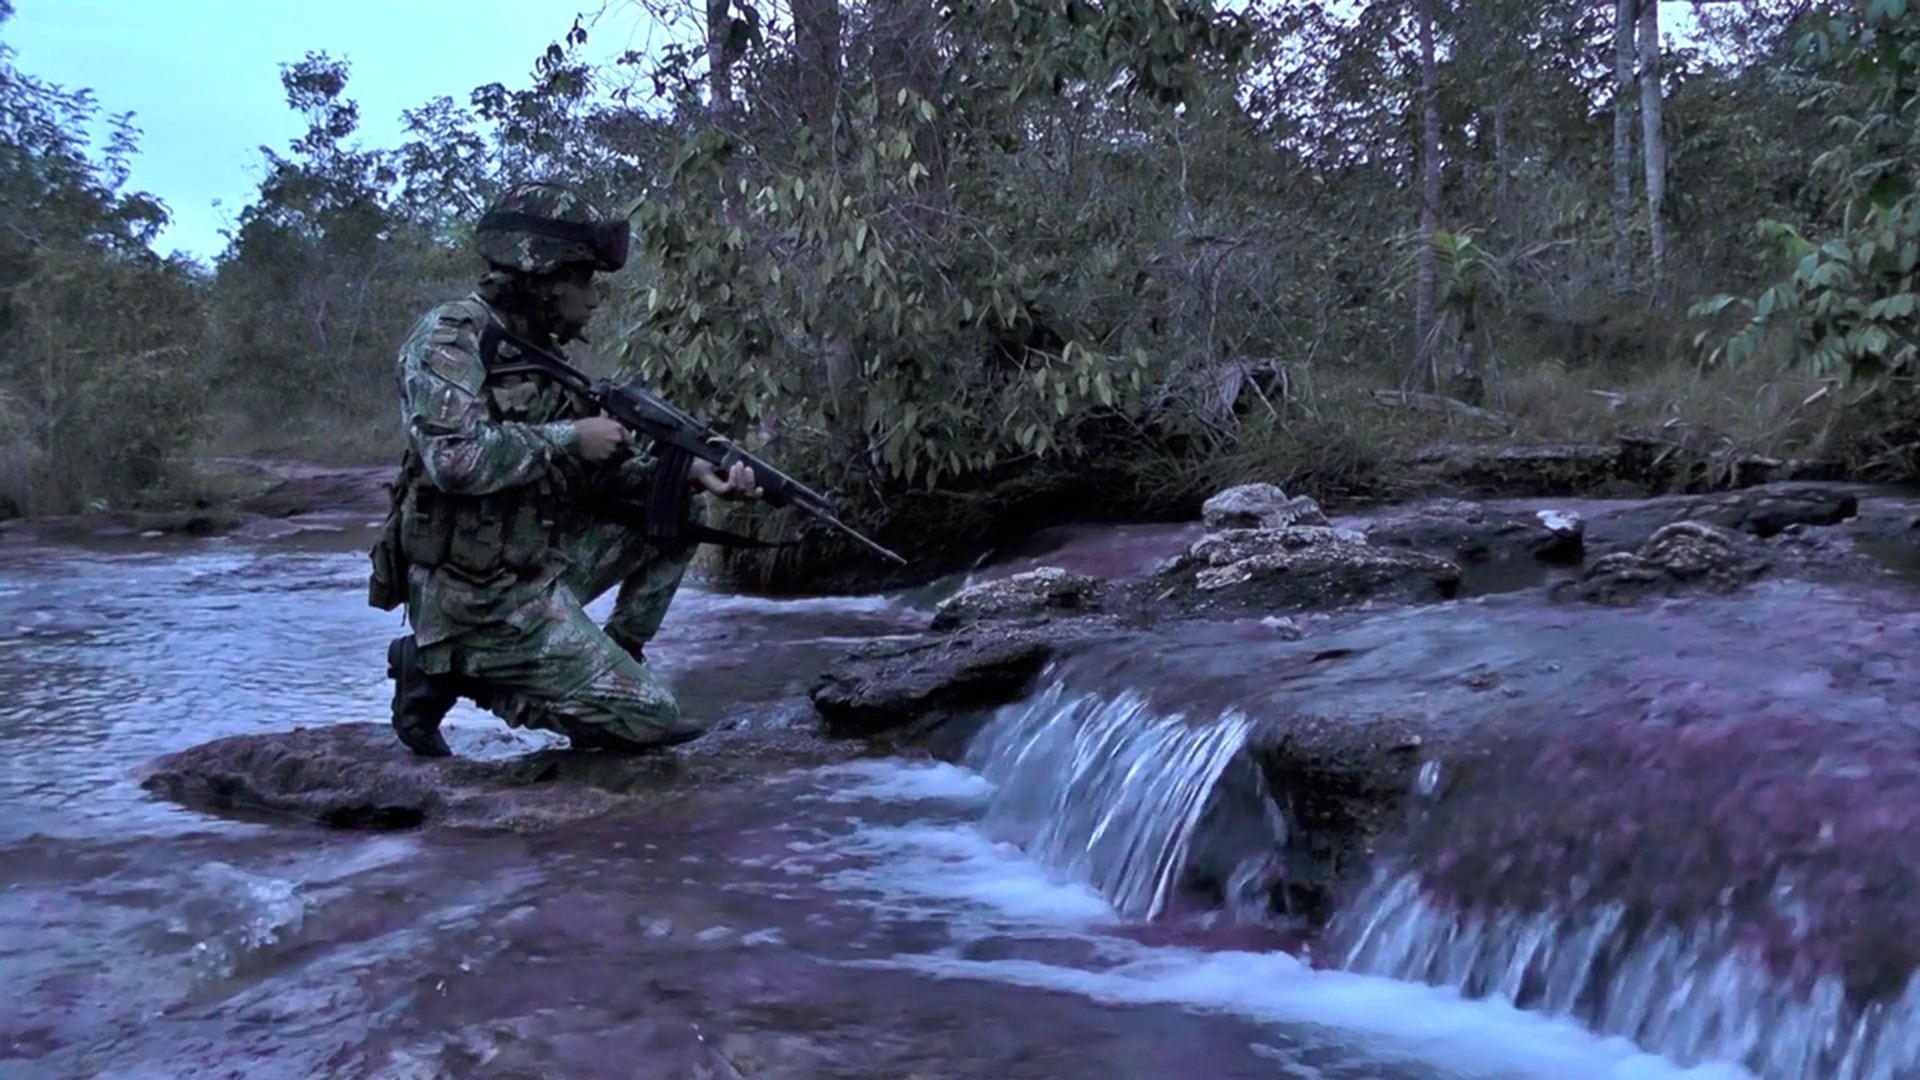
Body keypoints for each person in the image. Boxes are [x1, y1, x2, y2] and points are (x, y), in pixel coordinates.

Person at [368, 180, 762, 758]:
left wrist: (687, 473)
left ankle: (610, 659)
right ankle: (451, 665)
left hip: (527, 568)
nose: (594, 300)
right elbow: (454, 461)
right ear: (541, 278)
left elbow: (586, 484)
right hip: (472, 595)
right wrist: (571, 436)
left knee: (680, 507)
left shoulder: (542, 358)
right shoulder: (452, 339)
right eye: (583, 280)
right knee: (650, 719)